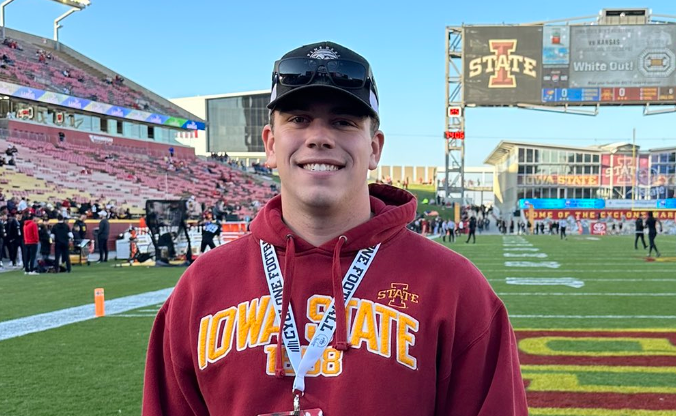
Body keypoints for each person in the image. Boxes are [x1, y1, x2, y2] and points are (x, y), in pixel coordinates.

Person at [142, 41, 527, 416]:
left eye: (343, 122)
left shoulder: (455, 287)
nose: (319, 137)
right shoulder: (200, 288)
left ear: (374, 148)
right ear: (270, 144)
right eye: (298, 119)